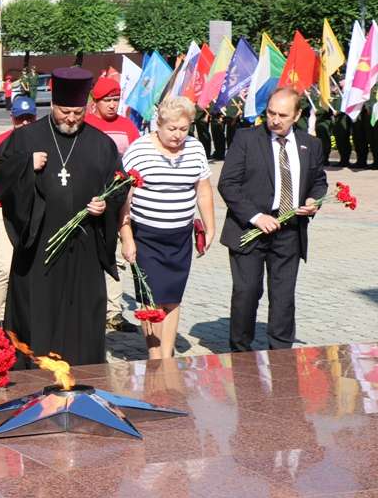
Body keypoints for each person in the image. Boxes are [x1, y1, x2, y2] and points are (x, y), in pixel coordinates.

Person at [0, 66, 124, 367]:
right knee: (38, 317)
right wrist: (25, 166)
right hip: (40, 247)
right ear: (52, 105)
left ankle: (84, 374)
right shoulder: (26, 139)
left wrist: (105, 205)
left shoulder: (101, 145)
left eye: (77, 112)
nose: (71, 119)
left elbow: (118, 186)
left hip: (83, 249)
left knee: (82, 317)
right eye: (64, 111)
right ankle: (35, 375)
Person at [218, 87, 328, 352]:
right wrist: (256, 217)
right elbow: (228, 184)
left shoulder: (309, 144)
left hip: (289, 229)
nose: (275, 120)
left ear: (297, 115)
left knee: (283, 295)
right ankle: (241, 351)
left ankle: (281, 353)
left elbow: (319, 181)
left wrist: (314, 200)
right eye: (270, 113)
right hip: (250, 229)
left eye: (282, 115)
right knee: (247, 293)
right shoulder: (246, 139)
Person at [119, 97, 215, 359]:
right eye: (172, 129)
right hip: (147, 237)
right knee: (151, 300)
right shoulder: (139, 151)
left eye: (184, 129)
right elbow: (122, 200)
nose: (178, 135)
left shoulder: (195, 149)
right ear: (158, 125)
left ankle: (167, 354)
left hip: (179, 236)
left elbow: (203, 189)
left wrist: (209, 225)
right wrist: (127, 238)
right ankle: (154, 356)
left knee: (172, 297)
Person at [85, 77, 141, 334]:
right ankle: (89, 307)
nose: (112, 105)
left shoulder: (127, 126)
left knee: (117, 258)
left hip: (122, 200)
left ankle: (114, 311)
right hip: (93, 202)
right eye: (107, 100)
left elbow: (136, 162)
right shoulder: (86, 124)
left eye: (116, 100)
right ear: (95, 102)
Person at [0, 96, 36, 328]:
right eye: (20, 118)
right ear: (12, 117)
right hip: (1, 209)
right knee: (4, 266)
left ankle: (26, 312)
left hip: (32, 211)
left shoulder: (42, 142)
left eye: (28, 118)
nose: (24, 123)